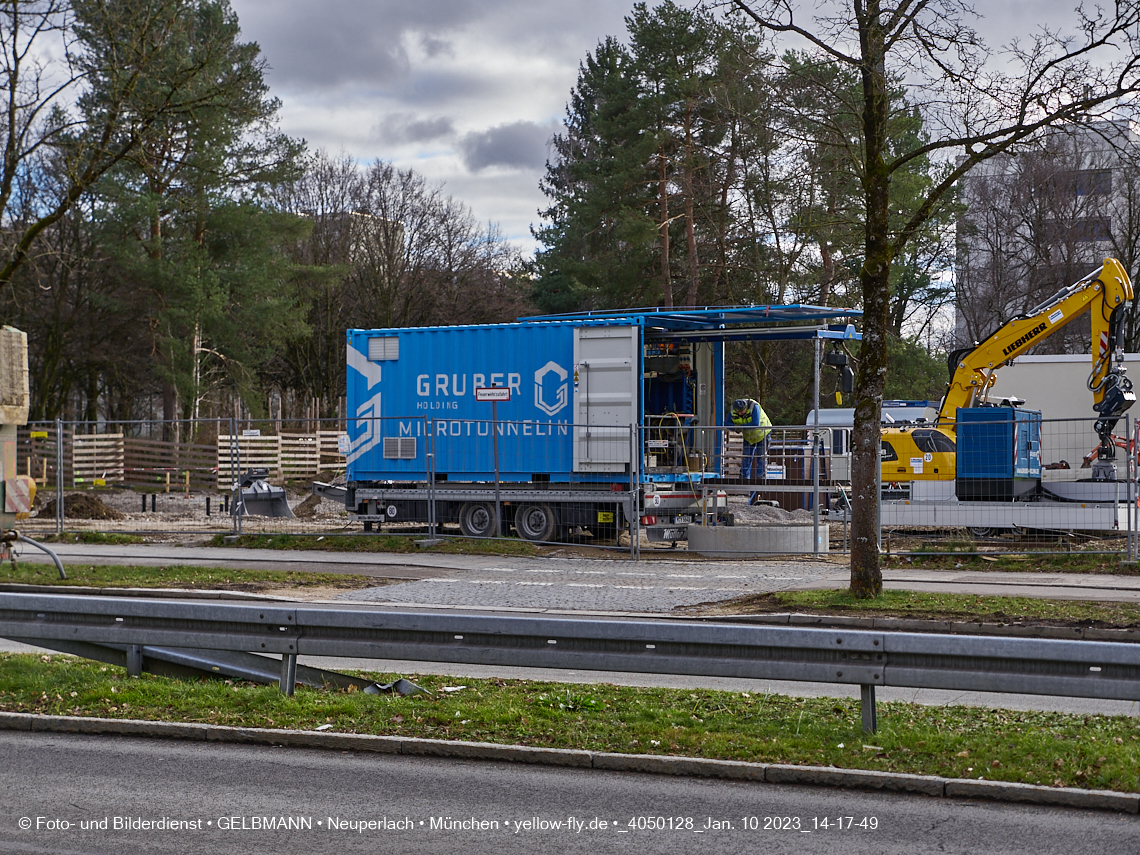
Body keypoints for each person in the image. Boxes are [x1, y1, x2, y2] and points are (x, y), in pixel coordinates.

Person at [730, 398, 772, 504]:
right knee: (746, 457)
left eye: (742, 411)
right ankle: (744, 476)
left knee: (762, 457)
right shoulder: (732, 410)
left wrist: (739, 427)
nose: (740, 413)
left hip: (763, 434)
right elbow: (727, 423)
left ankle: (760, 477)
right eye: (738, 412)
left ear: (746, 408)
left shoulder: (754, 407)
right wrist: (736, 427)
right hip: (749, 437)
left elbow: (755, 423)